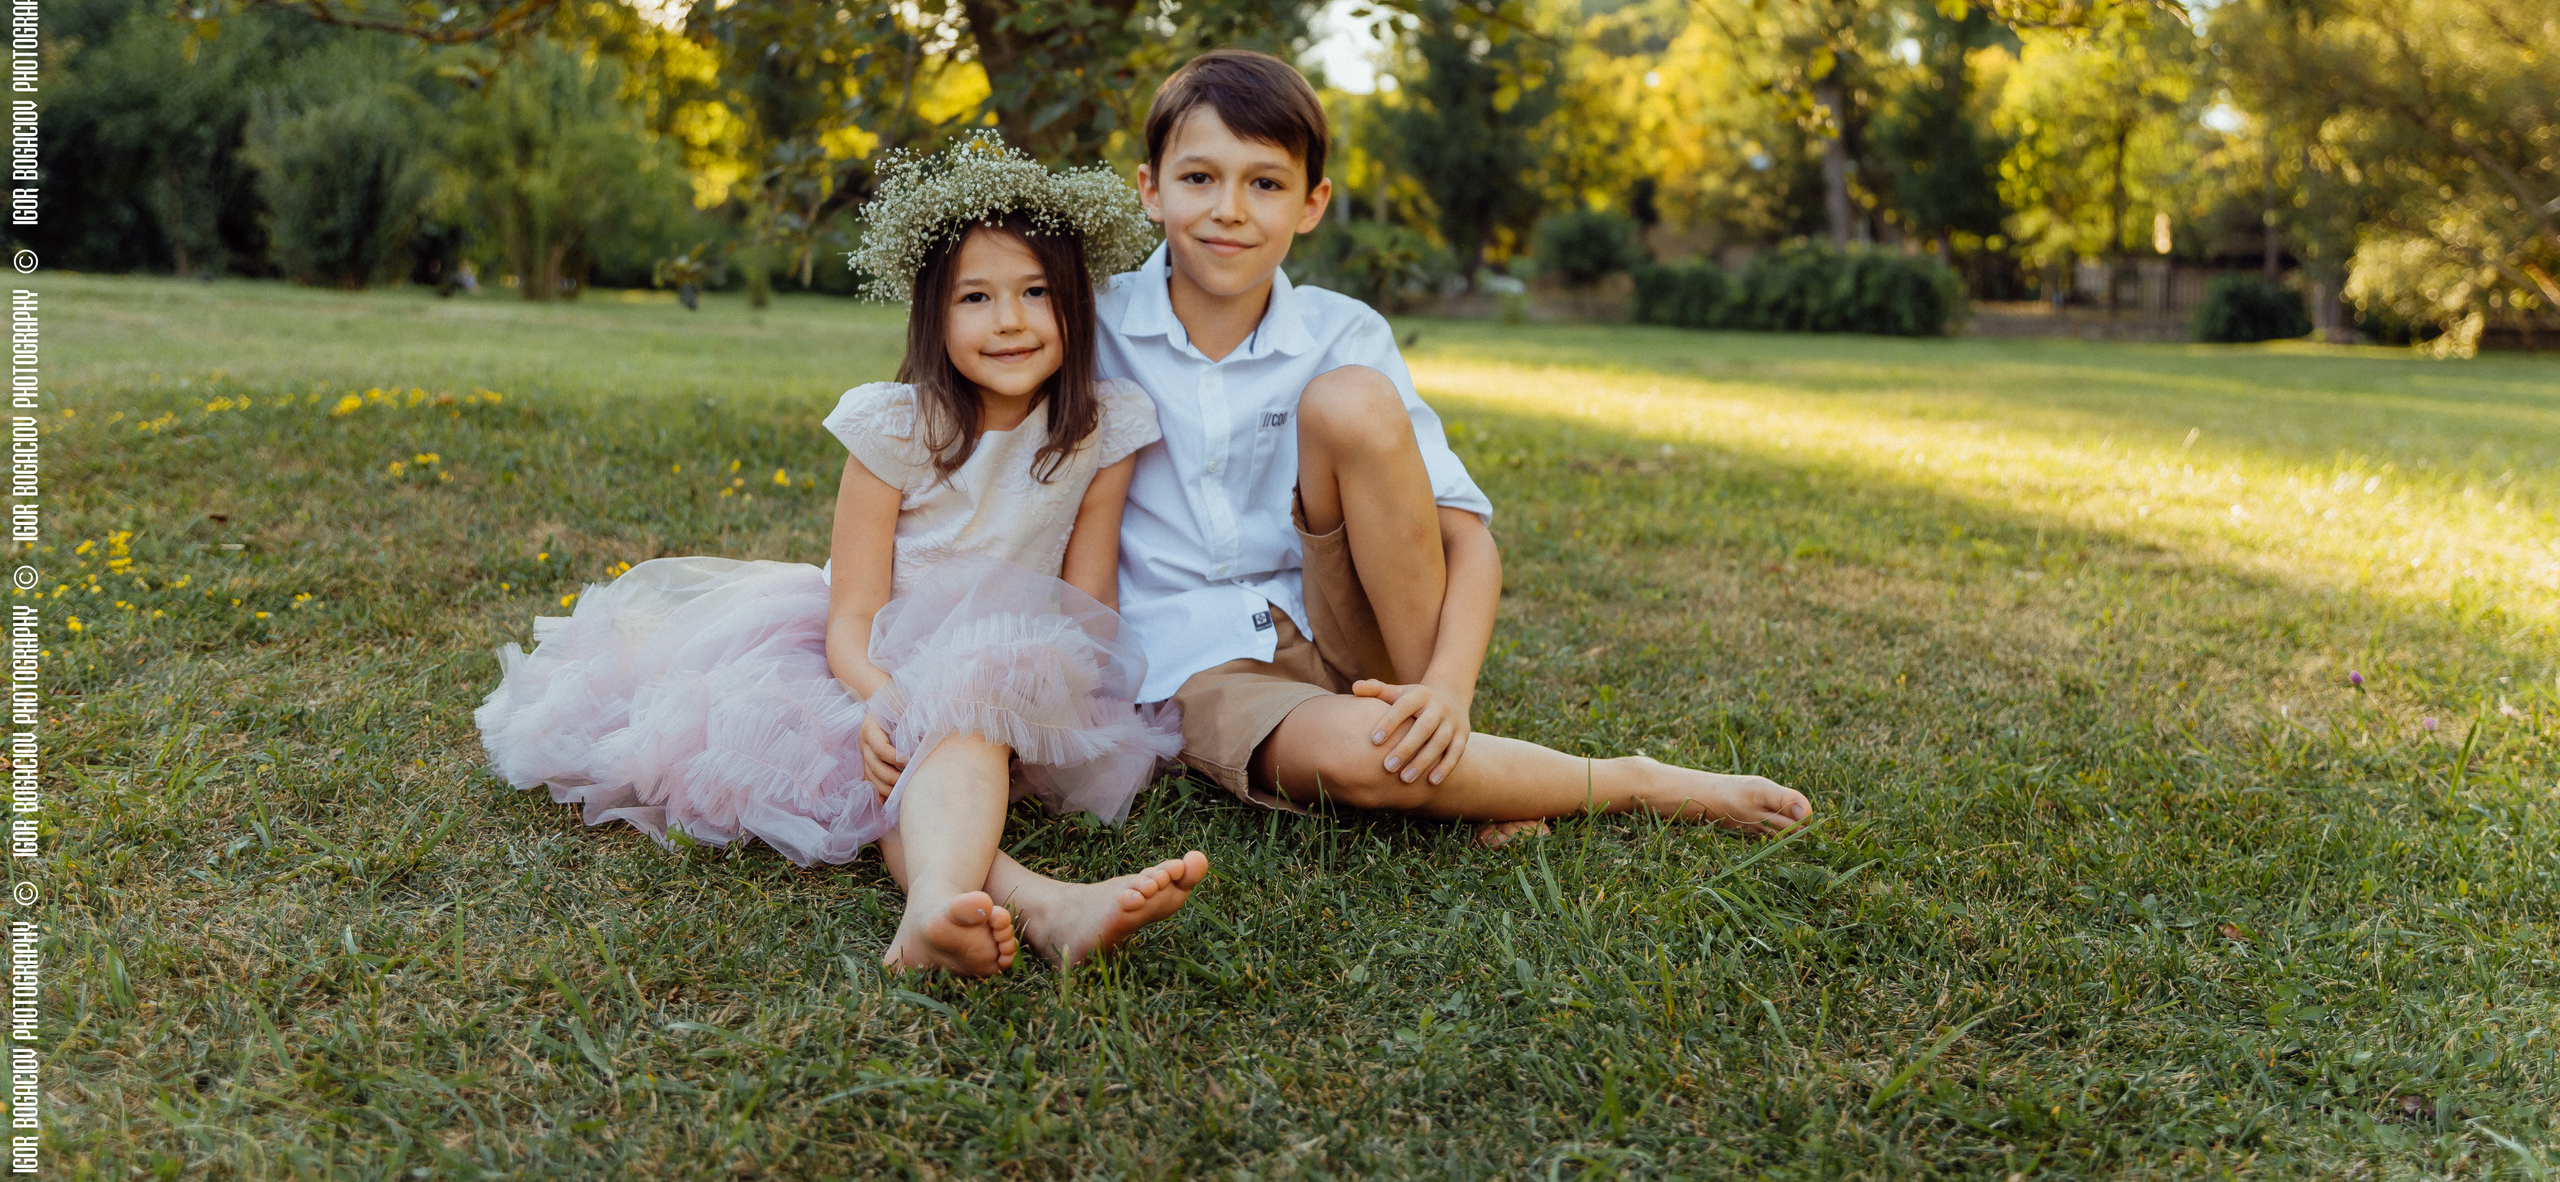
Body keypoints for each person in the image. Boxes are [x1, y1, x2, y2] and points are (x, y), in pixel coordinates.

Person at [475, 139, 1210, 977]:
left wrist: (1057, 697)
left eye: (1037, 293)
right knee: (909, 755)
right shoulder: (895, 427)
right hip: (864, 663)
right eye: (976, 296)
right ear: (932, 313)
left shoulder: (1100, 428)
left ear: (1076, 305)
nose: (1010, 319)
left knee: (966, 707)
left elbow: (1087, 601)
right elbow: (852, 614)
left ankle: (972, 905)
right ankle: (1020, 905)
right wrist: (886, 697)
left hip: (1015, 663)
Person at [1098, 51, 1813, 837]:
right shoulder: (1090, 324)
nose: (1229, 208)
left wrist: (1447, 690)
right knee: (1369, 765)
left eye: (1265, 183)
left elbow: (1465, 542)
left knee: (1352, 401)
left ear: (1312, 202)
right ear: (1150, 189)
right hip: (1202, 662)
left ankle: (1442, 732)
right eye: (1200, 177)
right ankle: (1626, 782)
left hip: (1354, 629)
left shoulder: (1344, 333)